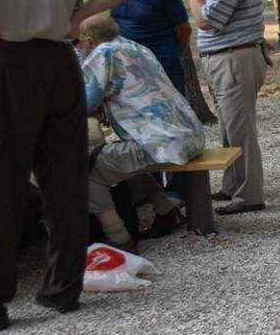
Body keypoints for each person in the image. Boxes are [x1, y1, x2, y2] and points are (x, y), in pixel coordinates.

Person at [0, 0, 142, 332]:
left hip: (5, 63)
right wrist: (80, 16)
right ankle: (62, 289)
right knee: (65, 179)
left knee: (0, 180)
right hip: (61, 63)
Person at [77, 15, 205, 251]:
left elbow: (84, 106)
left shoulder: (102, 54)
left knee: (83, 168)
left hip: (162, 143)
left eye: (79, 44)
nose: (79, 49)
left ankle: (120, 239)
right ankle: (167, 211)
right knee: (119, 160)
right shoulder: (135, 47)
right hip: (190, 135)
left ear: (90, 41)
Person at [176, 0, 268, 215]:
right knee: (229, 126)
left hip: (234, 61)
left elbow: (206, 20)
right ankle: (232, 186)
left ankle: (250, 195)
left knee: (241, 130)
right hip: (227, 59)